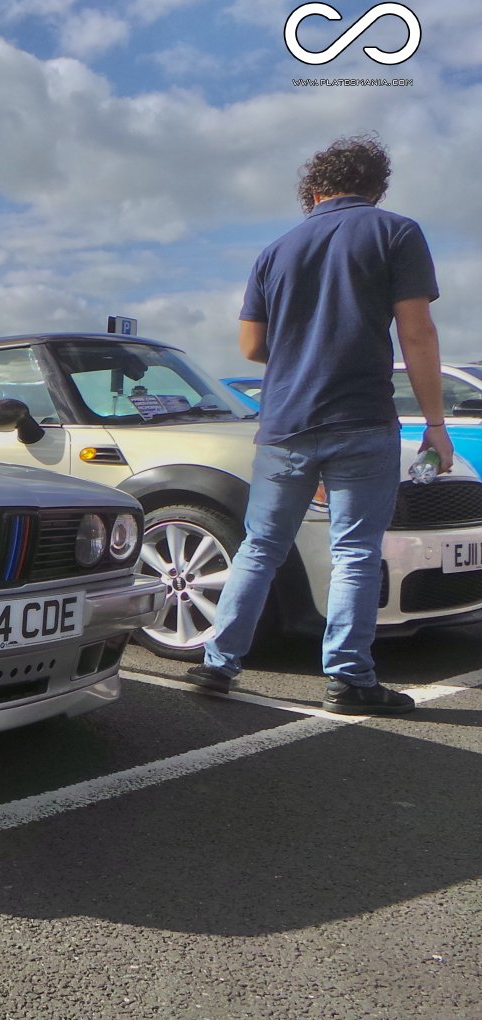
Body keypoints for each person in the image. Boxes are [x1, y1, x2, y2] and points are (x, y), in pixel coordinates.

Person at [185, 133, 453, 716]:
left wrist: (304, 347)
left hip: (284, 420)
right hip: (360, 416)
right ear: (377, 186)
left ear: (313, 190)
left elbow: (252, 346)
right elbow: (417, 332)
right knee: (354, 551)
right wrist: (435, 423)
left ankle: (217, 664)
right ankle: (349, 680)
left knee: (260, 547)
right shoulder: (395, 232)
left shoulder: (275, 250)